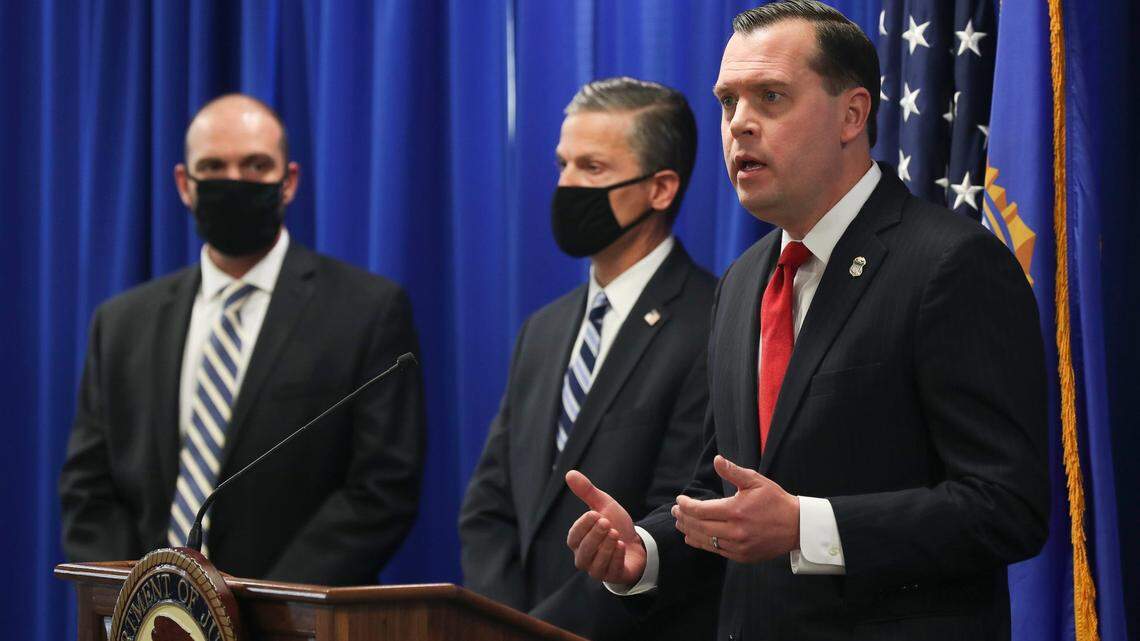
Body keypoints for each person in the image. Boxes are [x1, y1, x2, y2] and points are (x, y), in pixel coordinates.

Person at [565, 3, 1050, 639]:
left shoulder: (949, 265)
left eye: (770, 97)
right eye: (728, 102)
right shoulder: (743, 282)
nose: (740, 124)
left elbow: (1007, 505)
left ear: (852, 114)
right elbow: (723, 487)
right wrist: (646, 553)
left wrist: (807, 527)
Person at [59, 93, 425, 586]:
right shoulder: (121, 323)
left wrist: (258, 607)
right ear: (184, 185)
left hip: (295, 611)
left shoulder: (367, 312)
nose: (234, 181)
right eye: (213, 167)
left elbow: (381, 489)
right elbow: (88, 490)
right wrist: (141, 597)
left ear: (288, 181)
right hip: (148, 613)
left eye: (255, 166)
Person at [459, 77, 720, 640]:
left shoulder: (714, 323)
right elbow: (489, 506)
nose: (566, 185)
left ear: (660, 188)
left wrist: (539, 633)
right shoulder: (544, 329)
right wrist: (500, 623)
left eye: (592, 168)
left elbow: (679, 518)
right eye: (563, 164)